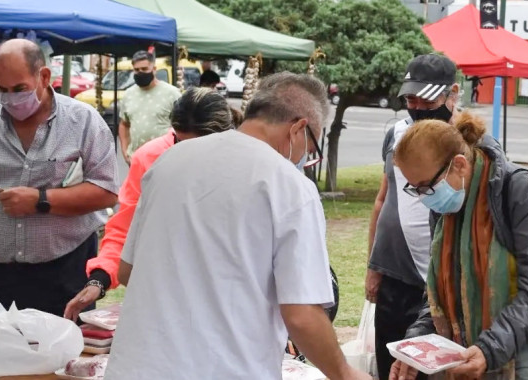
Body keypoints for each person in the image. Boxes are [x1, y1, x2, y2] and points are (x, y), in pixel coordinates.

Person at [104, 72, 370, 380]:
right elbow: (302, 314)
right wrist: (344, 373)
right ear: (298, 129)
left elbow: (127, 271)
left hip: (136, 368)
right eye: (309, 150)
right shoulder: (290, 185)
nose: (304, 158)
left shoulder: (169, 161)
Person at [389, 113, 528, 380]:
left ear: (460, 165)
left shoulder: (524, 192)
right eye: (414, 189)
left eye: (426, 187)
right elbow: (438, 292)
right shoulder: (446, 205)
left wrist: (490, 349)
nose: (422, 199)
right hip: (471, 343)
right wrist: (415, 345)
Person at [0, 39, 119, 316]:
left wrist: (41, 200)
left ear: (44, 76)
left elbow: (106, 192)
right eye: (2, 90)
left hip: (65, 271)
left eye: (19, 89)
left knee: (64, 356)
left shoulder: (84, 121)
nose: (10, 99)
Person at [64, 88, 237, 320]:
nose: (187, 154)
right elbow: (124, 228)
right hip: (163, 295)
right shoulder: (151, 158)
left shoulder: (244, 162)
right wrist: (100, 278)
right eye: (180, 143)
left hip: (225, 294)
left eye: (198, 148)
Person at [366, 53, 461, 380]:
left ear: (453, 94)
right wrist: (373, 267)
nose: (417, 106)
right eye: (410, 98)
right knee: (389, 365)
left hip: (437, 282)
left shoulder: (466, 142)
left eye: (426, 98)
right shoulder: (396, 133)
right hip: (394, 276)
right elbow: (383, 200)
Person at [118, 50, 180, 165]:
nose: (140, 73)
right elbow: (124, 124)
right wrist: (125, 151)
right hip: (136, 160)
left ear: (154, 69)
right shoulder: (128, 95)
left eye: (144, 69)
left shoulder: (172, 93)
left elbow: (183, 126)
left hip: (164, 160)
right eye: (137, 70)